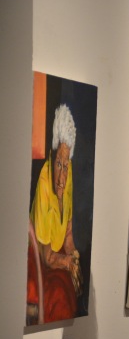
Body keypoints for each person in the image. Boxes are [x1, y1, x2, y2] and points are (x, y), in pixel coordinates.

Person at [27, 103, 83, 324]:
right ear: (52, 157)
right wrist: (68, 263)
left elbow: (68, 236)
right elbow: (48, 257)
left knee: (72, 292)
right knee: (58, 297)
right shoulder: (44, 182)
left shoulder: (69, 175)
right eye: (58, 164)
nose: (61, 177)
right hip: (39, 255)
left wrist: (75, 258)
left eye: (65, 166)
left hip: (57, 254)